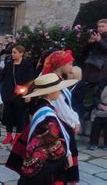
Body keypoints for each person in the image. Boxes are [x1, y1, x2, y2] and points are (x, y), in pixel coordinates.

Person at [6, 73, 77, 184]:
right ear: (50, 92)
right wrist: (65, 156)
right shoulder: (47, 114)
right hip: (45, 169)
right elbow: (50, 142)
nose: (60, 91)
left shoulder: (40, 106)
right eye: (58, 88)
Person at [40, 50, 80, 184]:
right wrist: (74, 123)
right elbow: (62, 108)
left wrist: (76, 120)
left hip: (64, 123)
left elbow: (68, 106)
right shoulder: (52, 81)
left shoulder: (59, 79)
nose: (71, 66)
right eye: (69, 63)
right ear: (60, 64)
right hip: (60, 126)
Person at [0, 45, 34, 145]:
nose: (12, 54)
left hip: (21, 94)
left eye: (15, 52)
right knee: (8, 115)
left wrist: (29, 94)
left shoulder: (27, 65)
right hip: (9, 93)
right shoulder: (10, 64)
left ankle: (18, 135)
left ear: (21, 53)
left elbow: (31, 81)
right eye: (12, 52)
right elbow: (3, 76)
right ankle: (9, 135)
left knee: (20, 115)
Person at [83, 19, 107, 85]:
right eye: (99, 26)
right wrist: (90, 43)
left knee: (94, 87)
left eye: (103, 26)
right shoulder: (96, 35)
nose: (100, 28)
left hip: (100, 67)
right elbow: (84, 50)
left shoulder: (100, 38)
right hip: (89, 64)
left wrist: (100, 41)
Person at [88, 84, 107, 150]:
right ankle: (93, 143)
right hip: (100, 109)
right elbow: (95, 97)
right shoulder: (102, 87)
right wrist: (100, 105)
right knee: (97, 122)